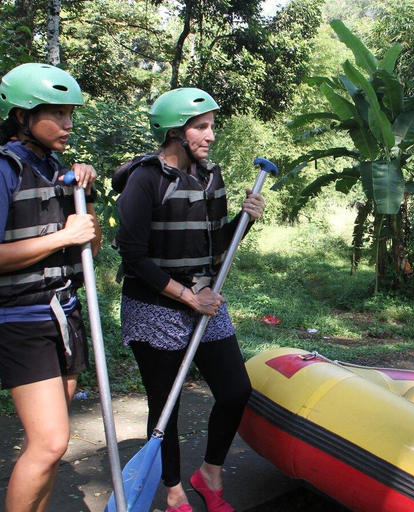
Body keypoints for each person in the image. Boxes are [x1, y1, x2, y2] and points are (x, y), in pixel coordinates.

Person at [113, 88, 265, 512]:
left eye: (211, 125)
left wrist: (243, 220)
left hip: (204, 299)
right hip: (155, 306)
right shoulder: (145, 180)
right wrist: (186, 296)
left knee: (236, 390)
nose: (211, 135)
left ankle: (210, 473)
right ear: (174, 132)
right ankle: (174, 488)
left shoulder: (210, 175)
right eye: (201, 126)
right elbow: (134, 256)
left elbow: (216, 243)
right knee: (167, 406)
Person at [0, 63, 101, 512]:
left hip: (63, 313)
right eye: (57, 114)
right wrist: (63, 236)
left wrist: (86, 201)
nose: (68, 124)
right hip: (23, 321)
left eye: (70, 114)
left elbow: (89, 251)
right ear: (22, 116)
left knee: (48, 448)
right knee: (50, 443)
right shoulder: (5, 169)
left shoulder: (57, 170)